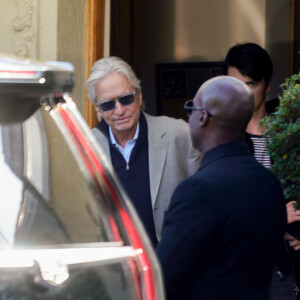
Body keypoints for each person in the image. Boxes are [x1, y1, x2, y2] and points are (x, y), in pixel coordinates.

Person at [156, 76, 287, 300]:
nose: (189, 117)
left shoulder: (197, 190)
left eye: (191, 108)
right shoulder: (270, 183)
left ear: (203, 117)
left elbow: (162, 280)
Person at [86, 56, 201, 247]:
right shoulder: (84, 148)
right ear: (97, 109)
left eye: (126, 99)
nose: (119, 110)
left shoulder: (180, 135)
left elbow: (203, 206)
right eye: (108, 104)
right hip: (117, 271)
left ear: (139, 96)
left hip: (172, 266)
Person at [223, 42, 300, 299]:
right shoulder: (221, 136)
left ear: (267, 84)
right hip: (240, 265)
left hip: (287, 265)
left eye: (251, 84)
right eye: (235, 85)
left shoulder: (291, 129)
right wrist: (278, 217)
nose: (243, 94)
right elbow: (222, 210)